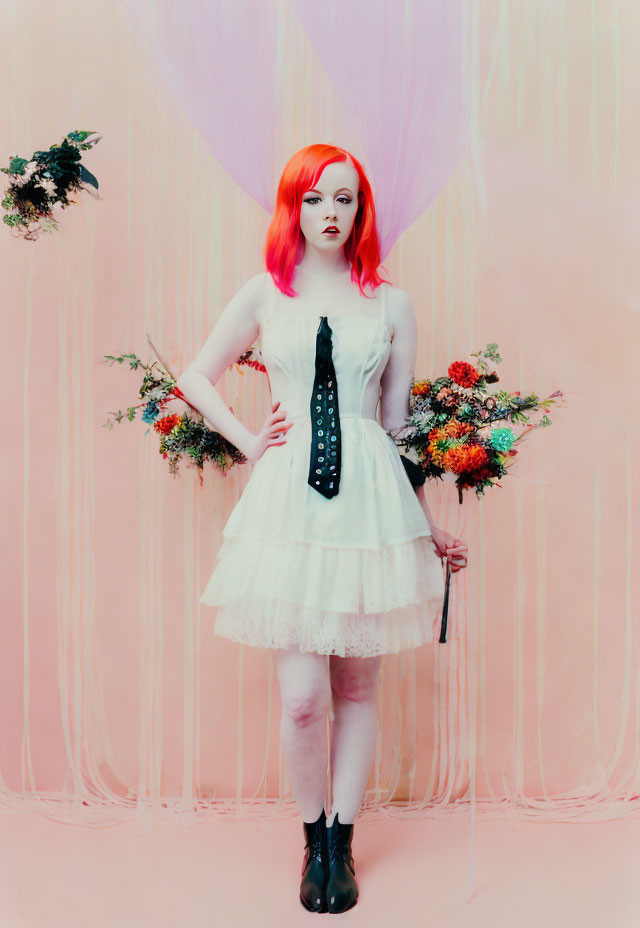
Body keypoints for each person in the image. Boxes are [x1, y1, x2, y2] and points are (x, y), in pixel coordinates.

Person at [177, 144, 468, 914]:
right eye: (314, 199)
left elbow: (399, 430)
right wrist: (248, 440)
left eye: (344, 199)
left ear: (361, 210)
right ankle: (311, 834)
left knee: (358, 684)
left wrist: (430, 530)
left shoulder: (392, 304)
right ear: (292, 208)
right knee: (303, 697)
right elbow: (194, 373)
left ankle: (340, 843)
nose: (330, 213)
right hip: (288, 501)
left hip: (370, 503)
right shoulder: (266, 294)